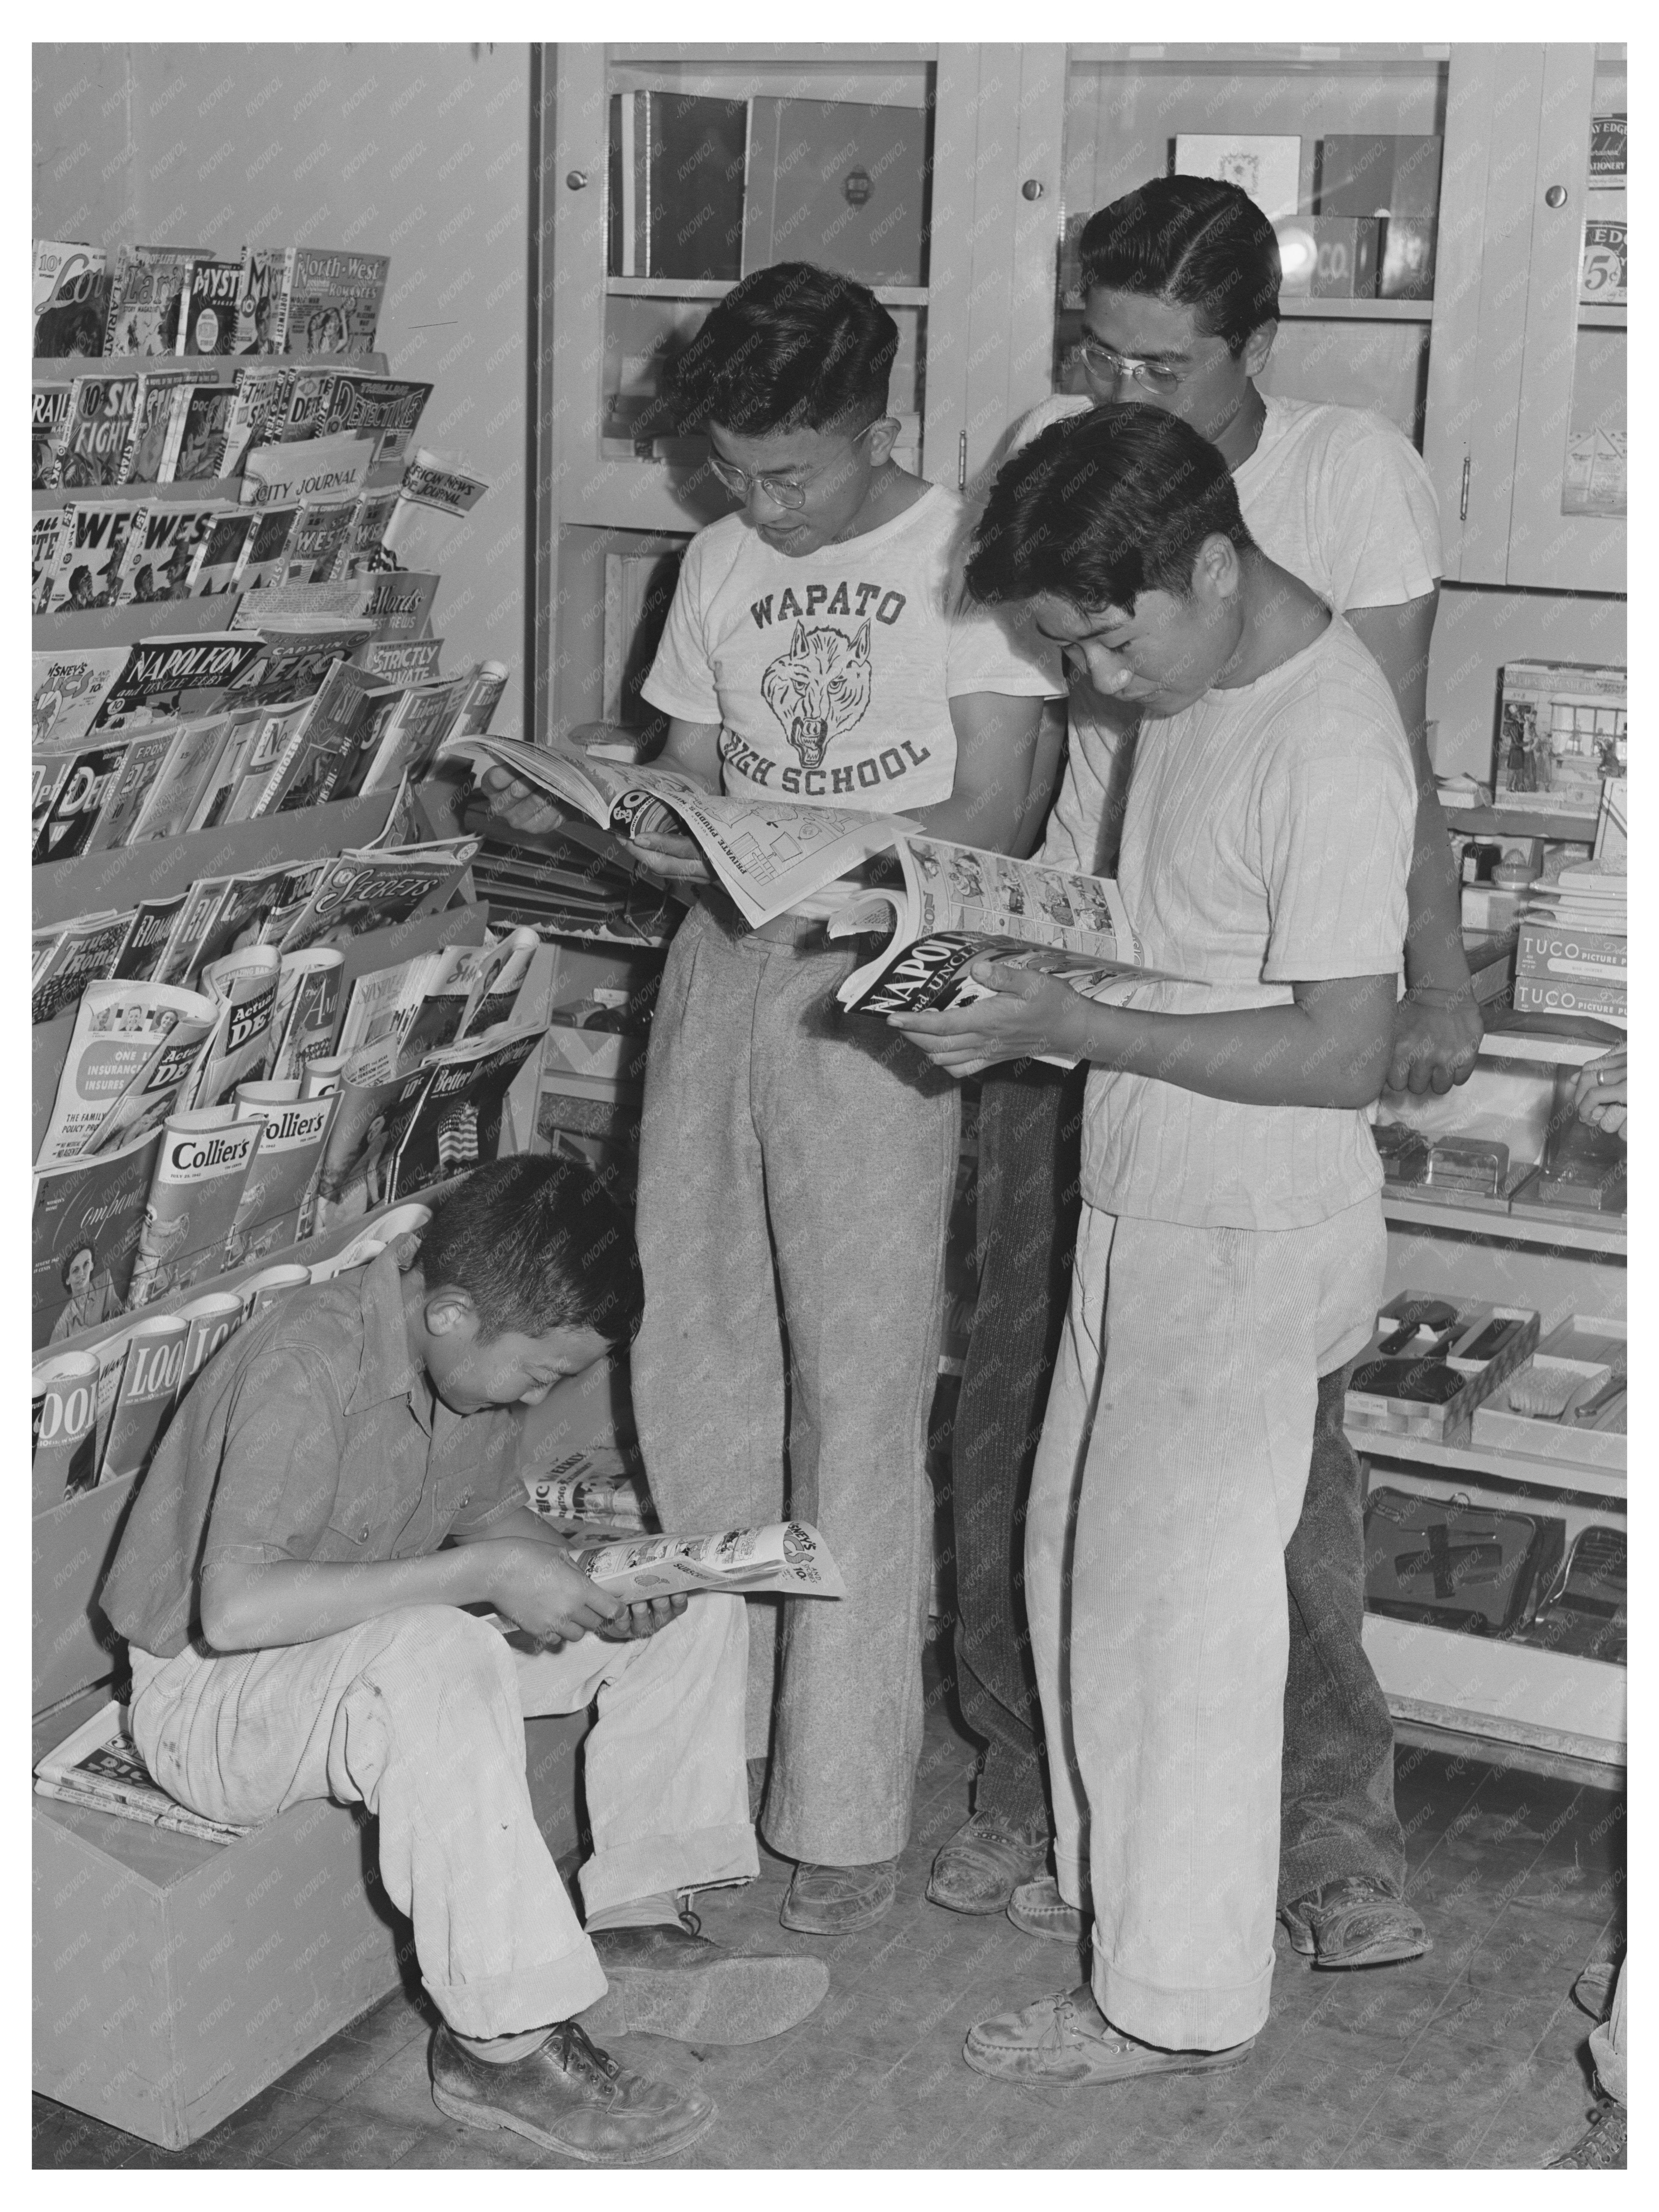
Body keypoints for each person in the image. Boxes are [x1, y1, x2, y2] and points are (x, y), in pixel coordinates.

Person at [486, 262, 1062, 1935]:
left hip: (877, 979)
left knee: (862, 1391)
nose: (757, 503)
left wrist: (831, 852)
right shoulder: (723, 558)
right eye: (732, 471)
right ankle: (691, 1770)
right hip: (723, 963)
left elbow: (1005, 807)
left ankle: (838, 1801)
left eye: (791, 471)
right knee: (699, 1358)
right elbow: (677, 774)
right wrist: (617, 812)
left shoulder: (966, 557)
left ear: (874, 422)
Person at [931, 176, 1467, 1969]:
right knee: (1084, 1511)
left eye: (1158, 357)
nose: (1117, 381)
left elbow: (1346, 932)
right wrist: (996, 952)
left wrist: (1420, 975)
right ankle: (1093, 1858)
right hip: (1134, 1062)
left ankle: (1267, 1895)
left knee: (1213, 1567)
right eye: (1098, 347)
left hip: (1225, 1121)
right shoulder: (1161, 644)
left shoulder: (1306, 634)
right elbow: (1107, 823)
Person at [100, 1156, 829, 2165]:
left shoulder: (460, 1358)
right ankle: (500, 2042)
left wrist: (595, 1572)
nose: (547, 1391)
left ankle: (636, 1917)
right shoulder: (305, 1361)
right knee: (437, 1647)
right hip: (219, 1700)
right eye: (542, 1371)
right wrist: (486, 1571)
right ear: (448, 1311)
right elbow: (235, 1610)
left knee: (685, 1610)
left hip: (354, 1658)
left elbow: (488, 1513)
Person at [49, 1242, 123, 1342]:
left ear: (92, 1265)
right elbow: (55, 1356)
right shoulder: (61, 1328)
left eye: (86, 1264)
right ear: (68, 1279)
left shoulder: (104, 1282)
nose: (82, 1273)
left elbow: (119, 1316)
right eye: (76, 1270)